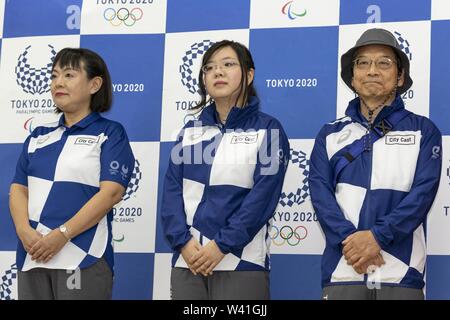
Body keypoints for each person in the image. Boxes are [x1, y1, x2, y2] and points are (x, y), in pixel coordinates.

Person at [309, 28, 442, 300]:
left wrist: (377, 238)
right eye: (363, 63)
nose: (372, 71)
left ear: (400, 76)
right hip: (343, 268)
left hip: (401, 272)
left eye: (384, 62)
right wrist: (353, 244)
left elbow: (422, 195)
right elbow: (320, 195)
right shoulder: (329, 133)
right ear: (353, 77)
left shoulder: (424, 131)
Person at [161, 40, 290, 300]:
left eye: (228, 64)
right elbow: (171, 192)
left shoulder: (269, 130)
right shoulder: (189, 132)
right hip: (189, 260)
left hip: (241, 262)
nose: (217, 72)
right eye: (209, 67)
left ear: (249, 74)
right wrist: (184, 243)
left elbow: (262, 200)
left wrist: (221, 246)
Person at [9, 48, 135, 300]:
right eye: (54, 76)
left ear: (95, 84)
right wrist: (24, 230)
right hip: (32, 255)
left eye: (69, 75)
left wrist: (62, 235)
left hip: (84, 256)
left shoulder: (110, 133)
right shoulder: (37, 136)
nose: (58, 83)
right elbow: (18, 189)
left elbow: (111, 193)